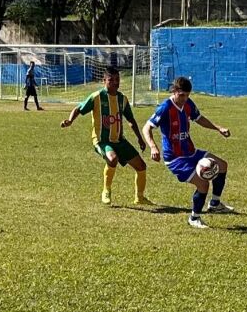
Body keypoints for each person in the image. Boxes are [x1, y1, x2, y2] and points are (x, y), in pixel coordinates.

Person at [142, 76, 233, 229]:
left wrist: (218, 128)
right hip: (175, 158)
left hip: (191, 152)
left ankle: (215, 203)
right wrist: (153, 146)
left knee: (222, 165)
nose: (185, 98)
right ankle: (194, 218)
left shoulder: (188, 104)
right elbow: (147, 128)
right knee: (203, 184)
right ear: (175, 91)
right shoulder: (165, 108)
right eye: (182, 95)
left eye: (187, 95)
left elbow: (199, 119)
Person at [60, 66, 153, 206]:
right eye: (111, 80)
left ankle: (139, 197)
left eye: (117, 79)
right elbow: (78, 108)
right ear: (104, 80)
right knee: (112, 158)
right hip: (102, 141)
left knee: (141, 166)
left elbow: (131, 120)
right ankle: (106, 190)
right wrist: (70, 121)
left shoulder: (123, 99)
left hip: (119, 140)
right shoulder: (97, 97)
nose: (115, 82)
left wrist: (140, 138)